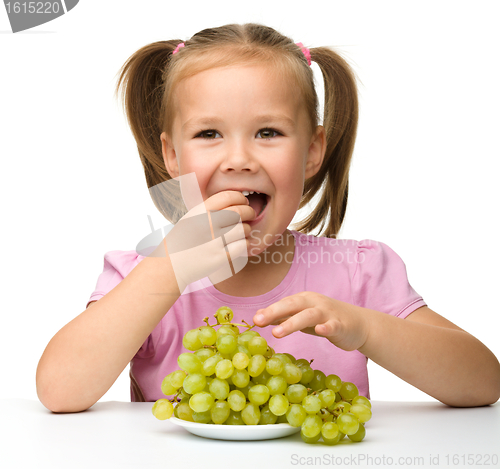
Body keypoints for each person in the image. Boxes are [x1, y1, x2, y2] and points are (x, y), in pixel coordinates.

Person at [36, 23, 500, 413]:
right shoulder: (141, 275)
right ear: (172, 156)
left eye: (268, 132)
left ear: (313, 151)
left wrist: (367, 329)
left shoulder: (356, 272)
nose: (239, 158)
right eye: (209, 133)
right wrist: (167, 269)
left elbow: (482, 383)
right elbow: (59, 392)